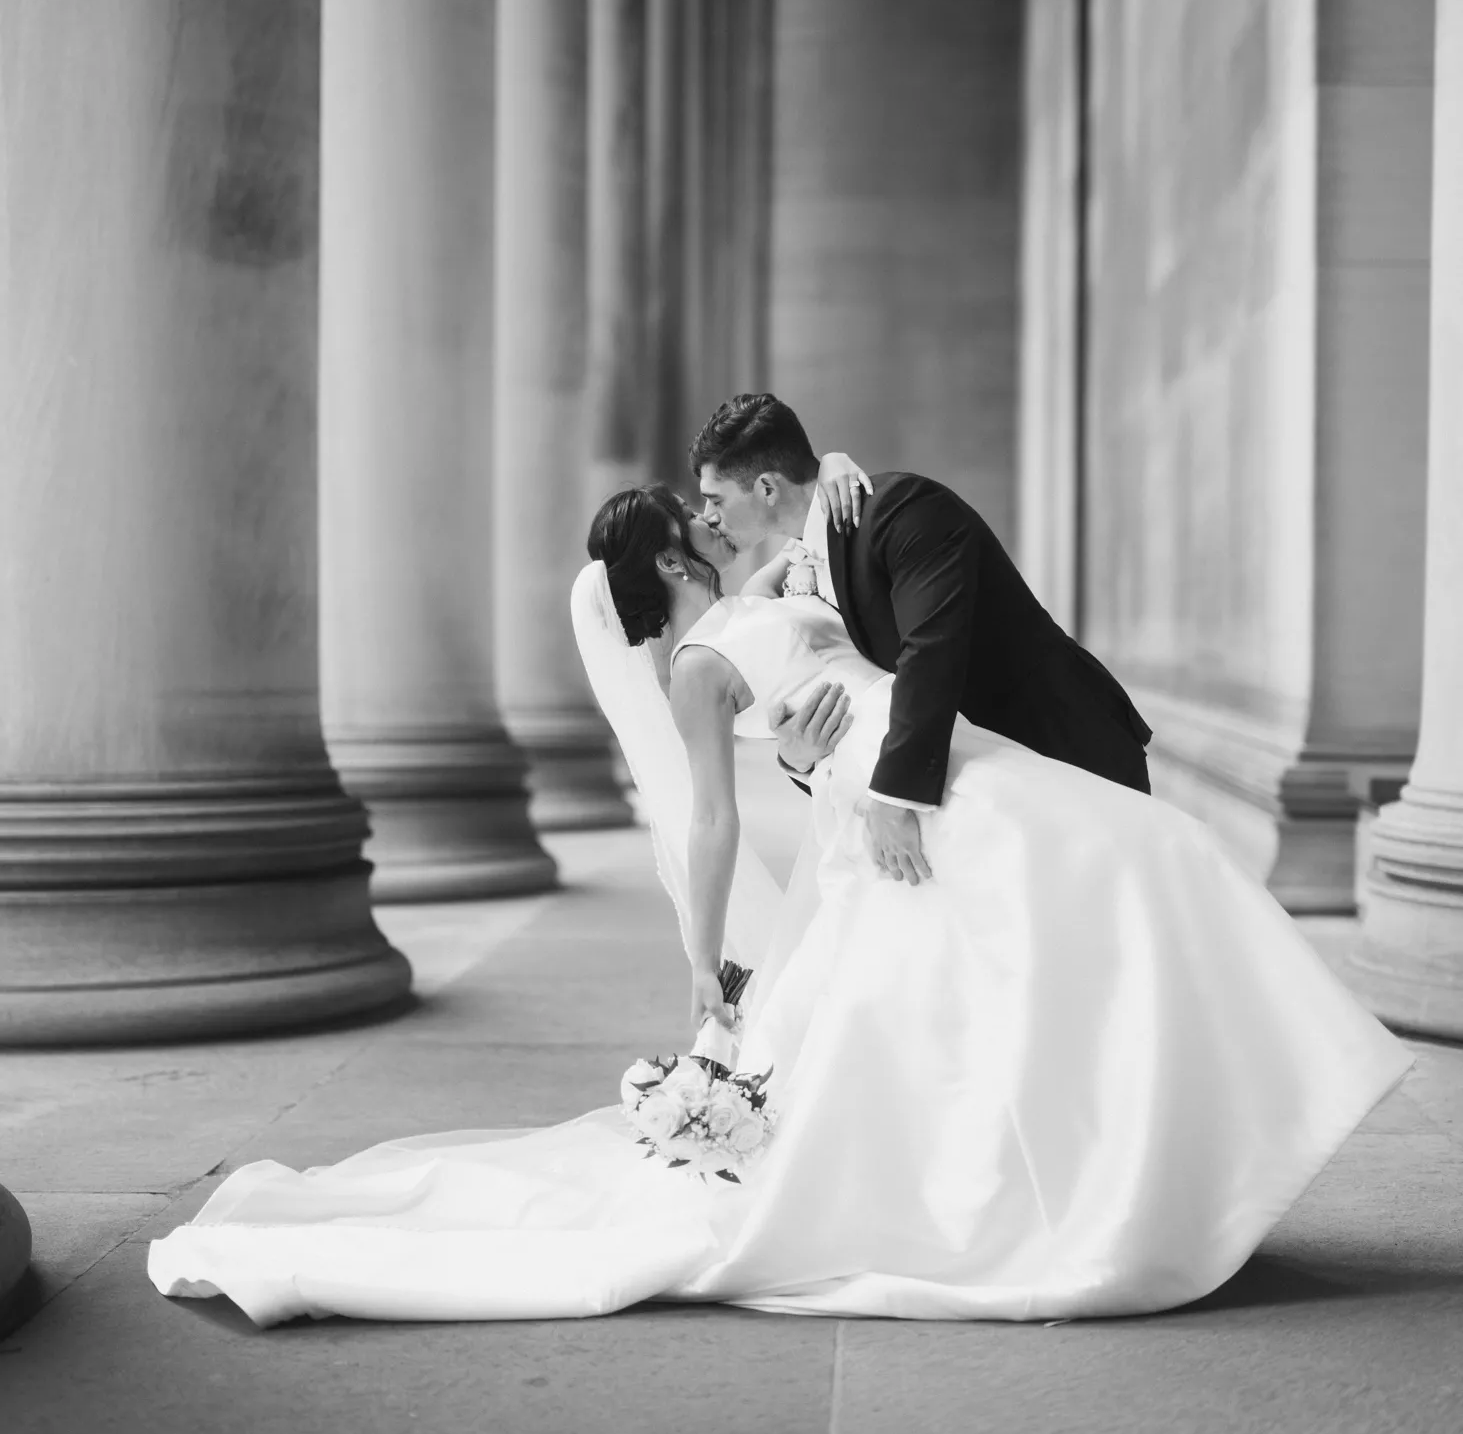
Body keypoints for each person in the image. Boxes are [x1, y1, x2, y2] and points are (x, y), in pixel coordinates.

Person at [147, 479, 1411, 1327]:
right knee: (1049, 927)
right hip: (898, 802)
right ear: (659, 559)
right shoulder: (696, 663)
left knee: (1127, 877)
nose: (708, 522)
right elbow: (707, 816)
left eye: (711, 505)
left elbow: (843, 620)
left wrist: (820, 735)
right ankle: (1069, 1183)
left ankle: (1141, 1153)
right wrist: (705, 966)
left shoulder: (772, 596)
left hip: (936, 768)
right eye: (687, 520)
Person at [691, 394, 1152, 895]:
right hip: (983, 794)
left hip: (1062, 751)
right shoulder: (797, 565)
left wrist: (895, 796)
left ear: (766, 487)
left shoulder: (904, 510)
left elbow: (930, 649)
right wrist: (798, 759)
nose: (708, 515)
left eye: (715, 499)